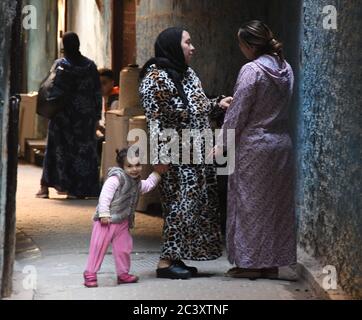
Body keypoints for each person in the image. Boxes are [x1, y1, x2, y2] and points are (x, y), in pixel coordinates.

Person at [139, 27, 233, 280]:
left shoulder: (188, 74)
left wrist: (217, 105)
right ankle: (165, 262)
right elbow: (155, 120)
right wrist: (159, 157)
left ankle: (176, 257)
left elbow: (197, 107)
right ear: (172, 46)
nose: (193, 48)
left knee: (192, 206)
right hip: (174, 154)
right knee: (179, 206)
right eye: (187, 43)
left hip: (197, 152)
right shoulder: (155, 78)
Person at [216, 20, 297, 279]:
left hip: (254, 148)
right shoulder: (286, 69)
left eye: (241, 44)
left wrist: (221, 145)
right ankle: (271, 263)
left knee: (249, 205)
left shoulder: (251, 70)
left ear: (250, 45)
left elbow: (239, 113)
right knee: (275, 207)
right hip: (281, 145)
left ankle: (250, 264)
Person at [83, 147, 168, 288]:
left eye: (137, 165)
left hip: (122, 222)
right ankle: (90, 273)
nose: (134, 169)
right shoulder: (116, 178)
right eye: (129, 166)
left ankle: (123, 274)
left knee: (123, 249)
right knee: (98, 248)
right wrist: (104, 213)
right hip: (106, 222)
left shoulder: (136, 183)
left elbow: (147, 186)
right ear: (122, 166)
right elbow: (105, 196)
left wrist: (157, 173)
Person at [36, 32, 102, 199]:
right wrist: (96, 117)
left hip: (62, 116)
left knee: (56, 150)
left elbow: (48, 87)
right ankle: (77, 189)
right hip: (84, 118)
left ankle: (45, 188)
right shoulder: (90, 66)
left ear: (63, 46)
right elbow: (97, 93)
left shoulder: (60, 65)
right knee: (83, 152)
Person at [96, 68, 120, 162]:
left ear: (112, 83)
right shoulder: (107, 98)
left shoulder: (115, 101)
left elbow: (116, 129)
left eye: (104, 83)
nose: (100, 87)